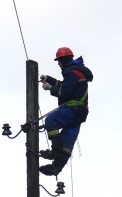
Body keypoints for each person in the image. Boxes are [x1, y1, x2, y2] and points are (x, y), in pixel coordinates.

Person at [38, 47, 93, 176]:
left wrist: (50, 88)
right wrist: (48, 79)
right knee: (68, 143)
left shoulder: (72, 72)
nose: (58, 64)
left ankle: (56, 151)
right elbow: (65, 85)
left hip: (72, 109)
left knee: (51, 121)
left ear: (63, 60)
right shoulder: (77, 72)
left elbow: (65, 92)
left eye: (59, 61)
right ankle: (55, 168)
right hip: (80, 113)